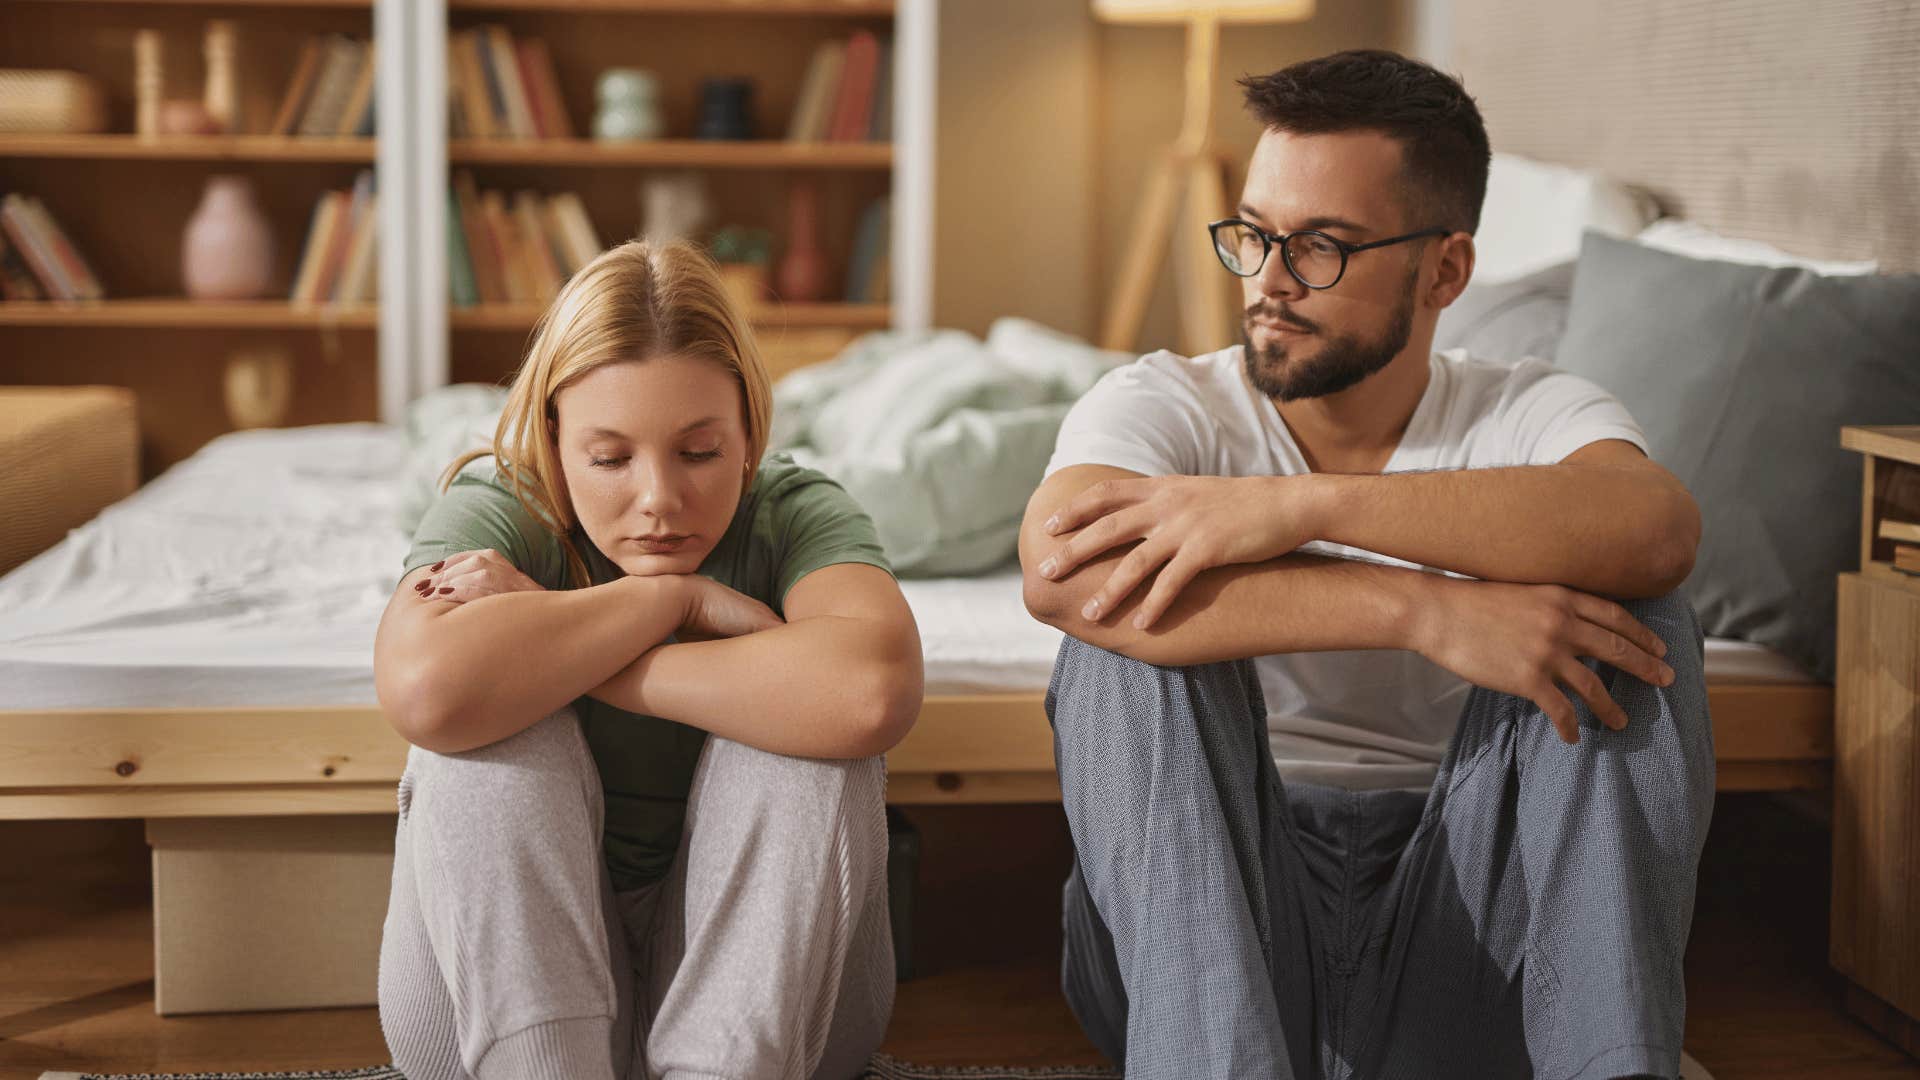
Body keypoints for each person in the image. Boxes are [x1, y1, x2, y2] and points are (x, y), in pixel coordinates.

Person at [1021, 50, 1710, 1080]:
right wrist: (1421, 611)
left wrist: (1301, 505)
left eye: (1322, 249)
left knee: (1634, 613)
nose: (1267, 281)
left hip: (1469, 927)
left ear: (1446, 270)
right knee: (1119, 634)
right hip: (1214, 934)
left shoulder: (1526, 408)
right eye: (1253, 235)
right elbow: (1058, 573)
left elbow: (1658, 528)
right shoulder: (1167, 404)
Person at [372, 239, 923, 1080]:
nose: (659, 499)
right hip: (490, 1010)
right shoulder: (499, 507)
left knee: (812, 744)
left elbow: (870, 694)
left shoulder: (794, 512)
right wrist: (674, 601)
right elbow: (425, 690)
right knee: (482, 742)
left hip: (774, 1019)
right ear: (554, 441)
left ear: (748, 435)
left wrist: (566, 637)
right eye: (610, 458)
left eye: (699, 452)